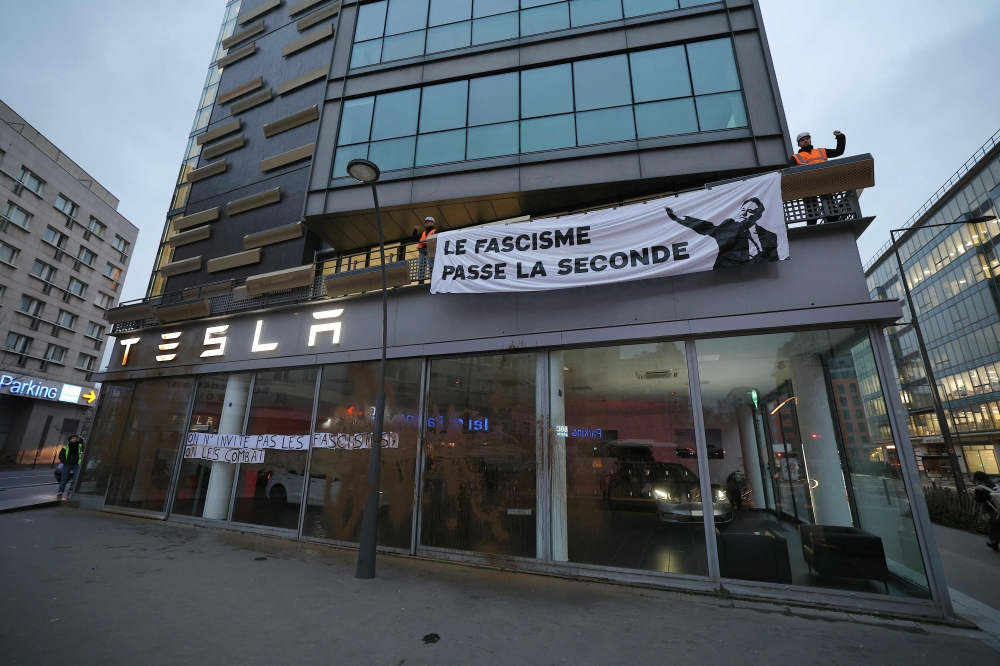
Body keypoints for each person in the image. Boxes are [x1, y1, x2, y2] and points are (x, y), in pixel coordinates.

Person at [665, 197, 779, 268]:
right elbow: (706, 227)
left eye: (749, 211)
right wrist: (678, 218)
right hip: (724, 276)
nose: (744, 214)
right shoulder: (729, 225)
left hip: (756, 277)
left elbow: (773, 260)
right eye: (743, 210)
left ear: (758, 215)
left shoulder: (769, 236)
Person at [973, 471, 1000, 552]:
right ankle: (994, 543)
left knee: (994, 527)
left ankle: (994, 543)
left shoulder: (979, 488)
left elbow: (979, 500)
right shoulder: (994, 484)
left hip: (992, 509)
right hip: (998, 506)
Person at [57, 434, 83, 500]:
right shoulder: (66, 447)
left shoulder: (79, 446)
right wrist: (65, 462)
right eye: (74, 438)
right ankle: (60, 491)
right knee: (64, 478)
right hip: (67, 464)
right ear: (70, 440)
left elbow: (82, 443)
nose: (75, 439)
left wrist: (80, 438)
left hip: (76, 464)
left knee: (76, 478)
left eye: (76, 438)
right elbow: (61, 456)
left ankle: (70, 491)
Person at [412, 216, 436, 282]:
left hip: (430, 250)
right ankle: (421, 282)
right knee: (421, 267)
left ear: (432, 223)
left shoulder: (435, 232)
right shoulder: (423, 233)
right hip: (422, 251)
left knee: (431, 266)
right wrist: (415, 231)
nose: (427, 223)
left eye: (428, 222)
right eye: (426, 222)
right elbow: (415, 239)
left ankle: (433, 281)